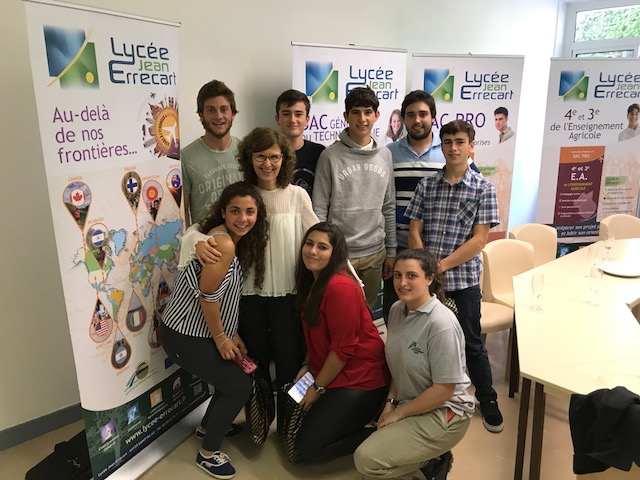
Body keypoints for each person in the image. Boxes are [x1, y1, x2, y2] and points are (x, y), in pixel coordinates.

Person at [192, 127, 319, 433]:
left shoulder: (297, 195)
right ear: (249, 158)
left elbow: (322, 237)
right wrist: (197, 242)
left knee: (290, 365)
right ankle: (259, 425)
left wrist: (350, 278)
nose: (267, 163)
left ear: (284, 159)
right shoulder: (243, 195)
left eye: (274, 157)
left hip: (289, 297)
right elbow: (200, 228)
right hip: (248, 299)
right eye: (260, 156)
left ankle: (290, 425)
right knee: (254, 363)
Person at [159, 181, 268, 479]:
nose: (243, 218)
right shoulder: (224, 243)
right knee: (239, 387)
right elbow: (208, 296)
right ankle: (207, 454)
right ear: (223, 212)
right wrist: (221, 338)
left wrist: (232, 333)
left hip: (199, 331)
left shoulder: (230, 239)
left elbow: (224, 296)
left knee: (230, 380)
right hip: (184, 334)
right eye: (235, 211)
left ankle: (207, 427)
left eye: (249, 212)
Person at [405, 120, 503, 433]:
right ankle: (427, 396)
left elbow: (479, 241)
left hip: (463, 283)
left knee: (472, 344)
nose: (453, 148)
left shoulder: (484, 188)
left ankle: (487, 399)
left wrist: (439, 267)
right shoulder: (427, 185)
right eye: (447, 142)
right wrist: (425, 268)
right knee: (426, 342)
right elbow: (414, 230)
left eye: (460, 142)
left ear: (471, 146)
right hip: (428, 283)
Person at [354, 249, 474, 480]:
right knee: (370, 454)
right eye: (397, 275)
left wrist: (399, 414)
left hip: (445, 411)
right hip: (409, 401)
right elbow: (397, 364)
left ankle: (431, 464)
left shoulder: (441, 324)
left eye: (411, 276)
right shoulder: (397, 309)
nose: (402, 283)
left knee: (366, 460)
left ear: (429, 279)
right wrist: (390, 404)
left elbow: (444, 390)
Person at [293, 222, 389, 462]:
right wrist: (307, 366)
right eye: (309, 244)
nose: (312, 251)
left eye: (322, 247)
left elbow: (343, 349)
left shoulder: (340, 287)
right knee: (293, 421)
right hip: (331, 372)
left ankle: (388, 434)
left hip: (361, 378)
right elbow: (314, 331)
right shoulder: (313, 281)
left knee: (307, 450)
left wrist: (316, 389)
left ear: (335, 253)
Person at [313, 86, 397, 309]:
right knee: (338, 312)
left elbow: (388, 206)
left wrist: (391, 251)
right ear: (346, 116)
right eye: (356, 112)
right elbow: (319, 208)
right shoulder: (330, 156)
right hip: (339, 254)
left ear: (377, 115)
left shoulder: (385, 155)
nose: (362, 119)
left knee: (366, 313)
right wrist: (322, 251)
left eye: (368, 112)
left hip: (374, 253)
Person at [182, 80, 243, 228]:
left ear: (233, 114)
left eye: (224, 109)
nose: (218, 116)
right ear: (201, 115)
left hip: (244, 238)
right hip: (205, 240)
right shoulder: (186, 158)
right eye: (211, 110)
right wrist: (190, 238)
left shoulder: (246, 151)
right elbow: (182, 213)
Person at [275, 89, 325, 198]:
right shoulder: (269, 155)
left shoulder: (320, 153)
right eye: (286, 114)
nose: (292, 120)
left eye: (298, 114)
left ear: (307, 119)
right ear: (277, 119)